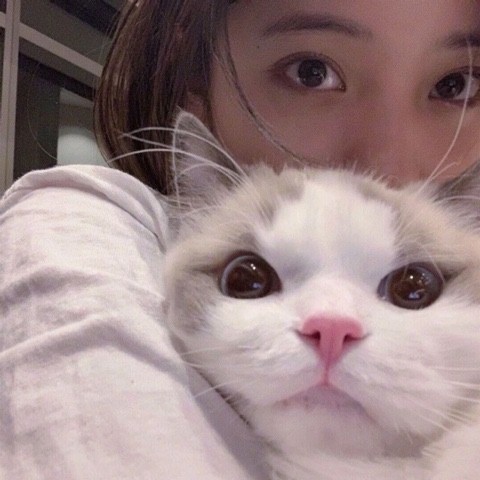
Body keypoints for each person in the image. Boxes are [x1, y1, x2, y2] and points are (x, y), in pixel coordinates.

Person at [1, 1, 479, 479]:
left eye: (456, 85)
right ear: (189, 73)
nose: (388, 161)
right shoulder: (86, 224)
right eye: (312, 72)